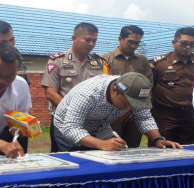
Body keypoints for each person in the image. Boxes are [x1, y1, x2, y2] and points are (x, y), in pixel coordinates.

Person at [54, 72, 182, 151]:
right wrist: (101, 144)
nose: (129, 108)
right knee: (79, 166)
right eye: (126, 103)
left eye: (134, 105)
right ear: (114, 90)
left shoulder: (133, 92)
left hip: (99, 127)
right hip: (67, 126)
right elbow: (71, 127)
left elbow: (144, 118)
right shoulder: (88, 94)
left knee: (114, 158)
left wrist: (158, 139)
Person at [41, 22, 108, 152]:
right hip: (64, 121)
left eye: (94, 41)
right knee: (66, 159)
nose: (91, 44)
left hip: (90, 121)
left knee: (91, 158)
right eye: (87, 40)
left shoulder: (98, 62)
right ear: (74, 38)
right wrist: (74, 111)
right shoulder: (57, 61)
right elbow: (50, 93)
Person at [103, 25, 153, 147]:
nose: (134, 46)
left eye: (137, 43)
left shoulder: (143, 61)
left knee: (132, 149)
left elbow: (148, 85)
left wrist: (130, 108)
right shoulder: (105, 59)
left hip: (134, 113)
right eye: (130, 42)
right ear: (120, 39)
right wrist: (120, 108)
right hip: (112, 115)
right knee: (112, 148)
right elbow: (104, 87)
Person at [150, 27, 194, 145]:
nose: (188, 47)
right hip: (165, 117)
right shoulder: (159, 63)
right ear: (174, 43)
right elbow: (148, 88)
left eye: (192, 44)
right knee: (160, 151)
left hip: (190, 116)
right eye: (184, 43)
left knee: (188, 151)